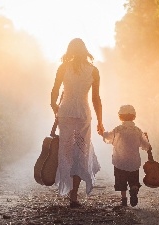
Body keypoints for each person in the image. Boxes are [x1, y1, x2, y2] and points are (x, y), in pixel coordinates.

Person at [50, 38, 104, 208]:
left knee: (65, 151)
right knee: (81, 151)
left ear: (70, 51)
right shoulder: (93, 71)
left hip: (65, 114)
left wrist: (57, 110)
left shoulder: (62, 68)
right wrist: (100, 121)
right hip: (83, 114)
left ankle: (66, 188)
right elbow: (96, 99)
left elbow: (53, 93)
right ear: (85, 50)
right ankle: (74, 194)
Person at [101, 105, 152, 207]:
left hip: (120, 161)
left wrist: (102, 132)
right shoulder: (137, 130)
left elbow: (108, 137)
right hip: (134, 161)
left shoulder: (118, 129)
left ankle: (124, 199)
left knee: (121, 181)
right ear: (134, 116)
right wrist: (147, 140)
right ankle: (134, 188)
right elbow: (146, 146)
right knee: (133, 179)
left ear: (120, 116)